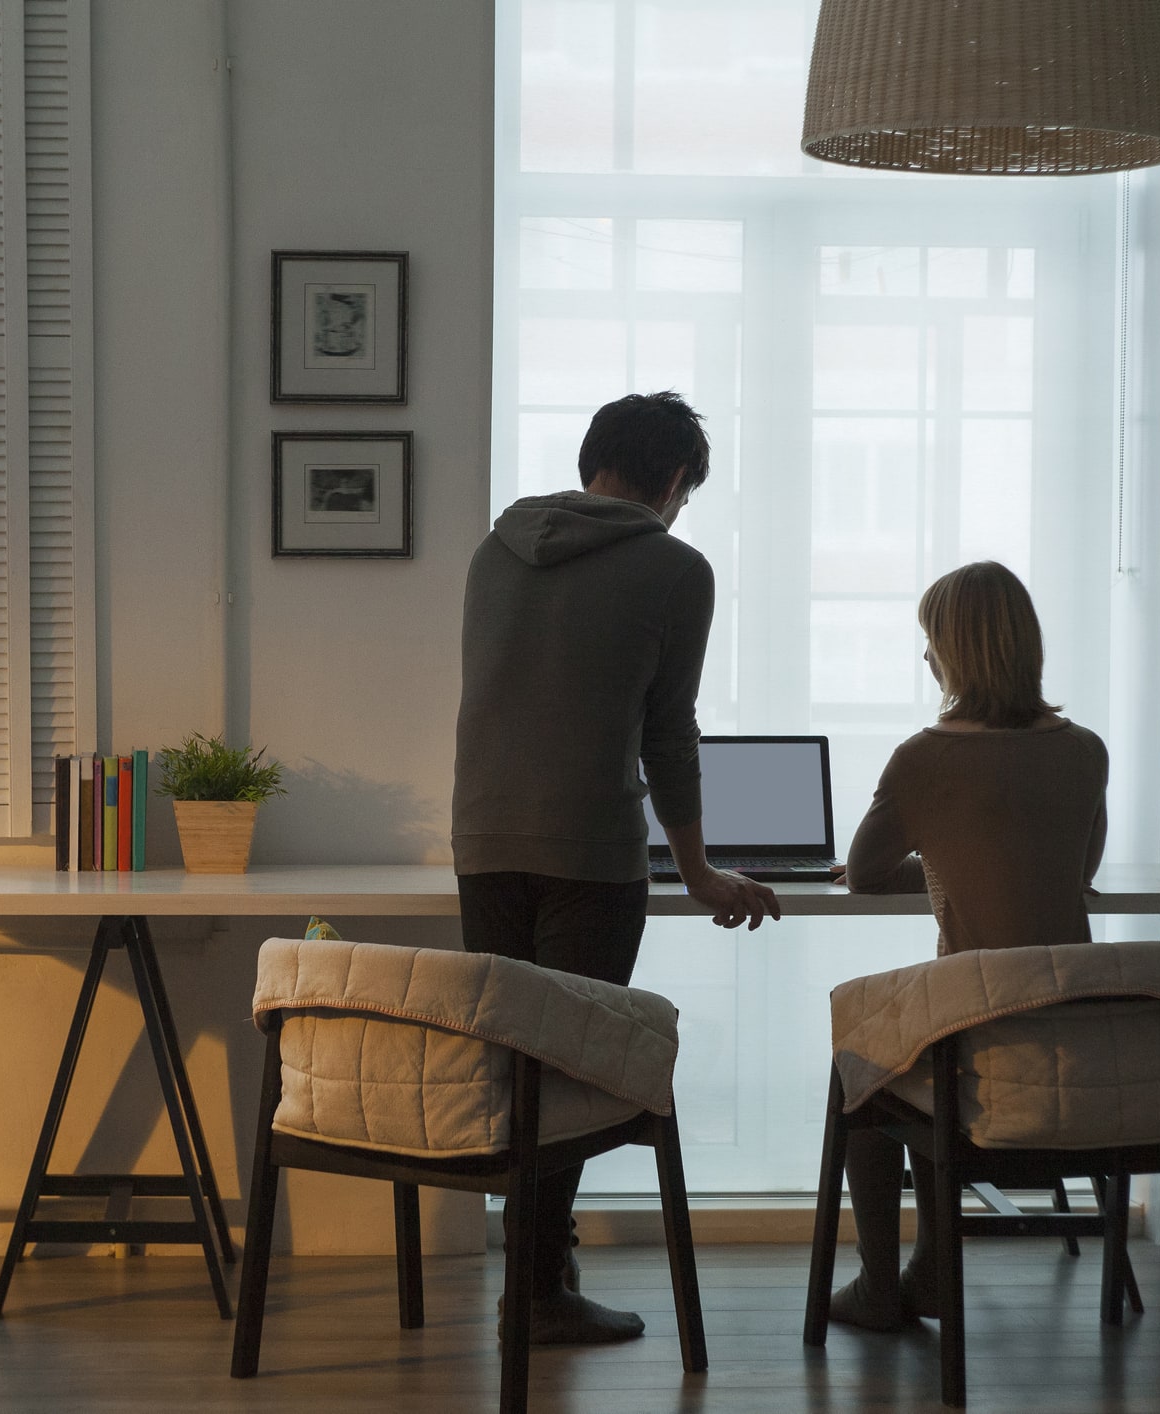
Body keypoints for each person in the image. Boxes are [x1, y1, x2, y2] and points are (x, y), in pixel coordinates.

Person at [453, 390, 781, 1347]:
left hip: (482, 841)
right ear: (675, 481)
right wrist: (699, 872)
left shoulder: (496, 548)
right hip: (589, 852)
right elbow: (666, 737)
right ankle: (539, 1293)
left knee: (519, 1068)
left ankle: (536, 1275)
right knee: (568, 1069)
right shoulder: (674, 567)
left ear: (592, 457)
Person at [828, 560, 1108, 1332]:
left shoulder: (925, 757)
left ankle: (882, 1284)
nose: (924, 655)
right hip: (1073, 1040)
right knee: (911, 1050)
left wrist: (945, 855)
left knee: (864, 1065)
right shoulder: (1086, 750)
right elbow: (1074, 871)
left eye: (930, 639)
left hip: (976, 1039)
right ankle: (930, 1267)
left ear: (956, 651)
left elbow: (862, 874)